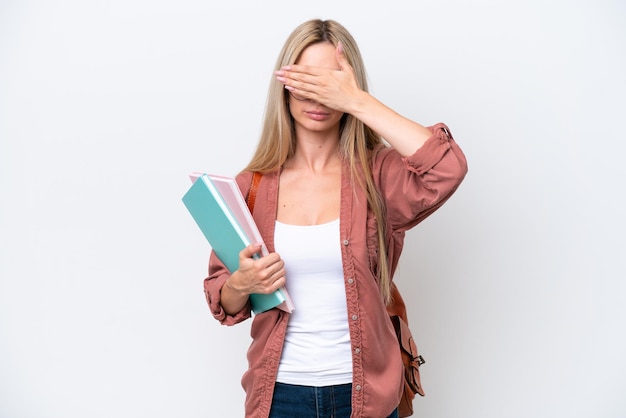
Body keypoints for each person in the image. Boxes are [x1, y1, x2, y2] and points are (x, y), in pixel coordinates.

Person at [203, 18, 467, 418]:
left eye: (331, 83)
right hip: (279, 396)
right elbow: (222, 297)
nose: (318, 95)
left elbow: (446, 167)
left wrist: (357, 101)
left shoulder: (379, 175)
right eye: (306, 79)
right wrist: (241, 283)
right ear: (284, 86)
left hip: (365, 396)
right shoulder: (251, 186)